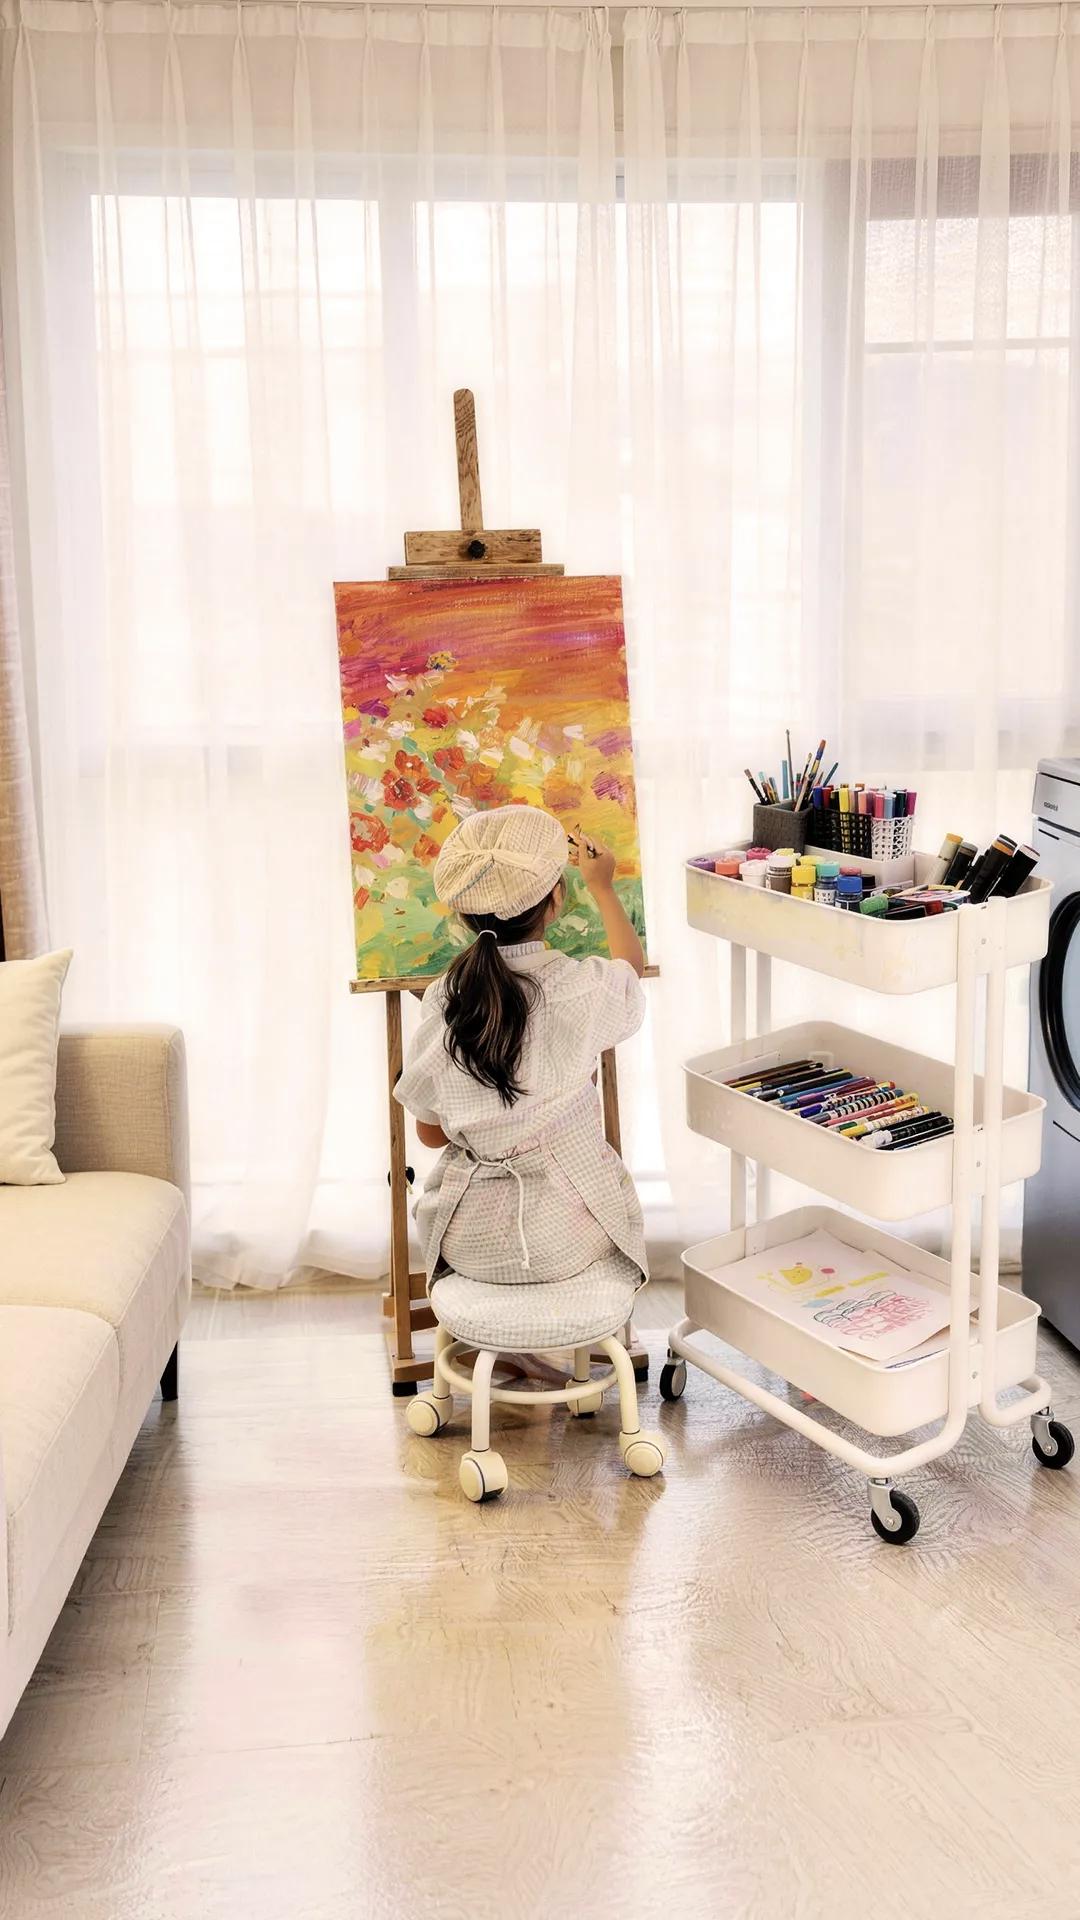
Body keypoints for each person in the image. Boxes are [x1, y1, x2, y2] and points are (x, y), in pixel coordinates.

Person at [394, 804, 648, 1344]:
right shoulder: (581, 987)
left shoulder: (443, 998)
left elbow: (429, 1134)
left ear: (464, 913)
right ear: (556, 898)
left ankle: (510, 1355)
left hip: (469, 1242)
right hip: (564, 1241)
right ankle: (542, 1353)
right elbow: (631, 972)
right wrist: (603, 888)